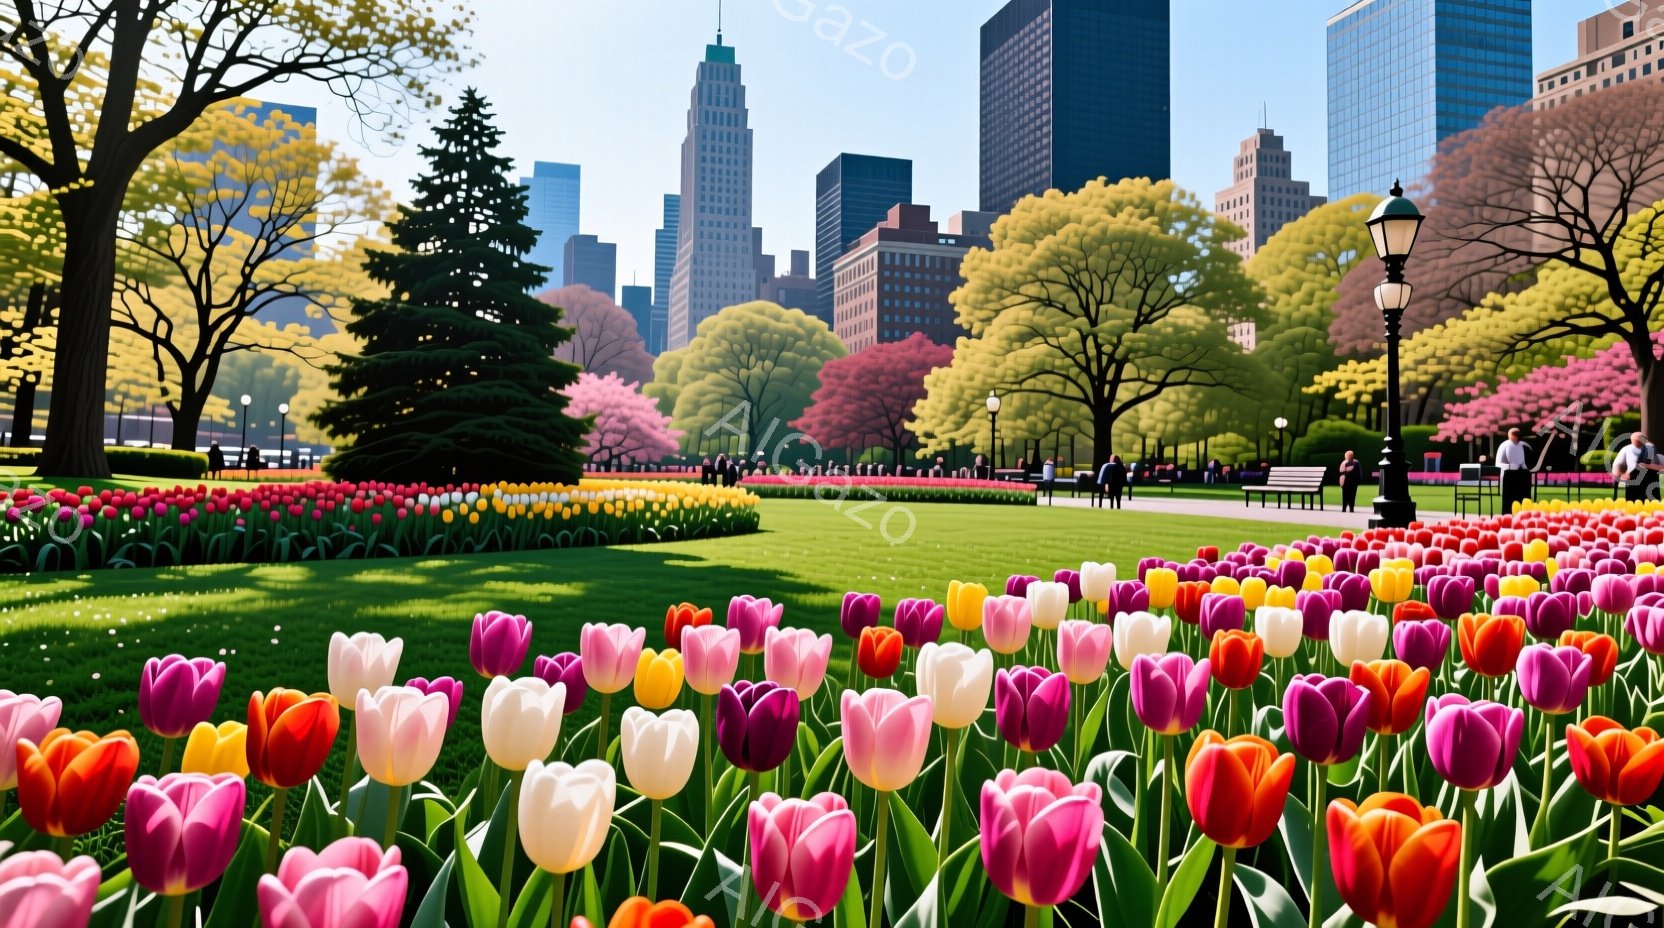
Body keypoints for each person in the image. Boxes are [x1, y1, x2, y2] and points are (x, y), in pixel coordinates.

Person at [1613, 432, 1664, 502]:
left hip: (1650, 481)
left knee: (1651, 503)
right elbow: (1617, 466)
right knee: (1633, 503)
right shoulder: (1626, 449)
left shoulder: (1653, 450)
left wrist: (1648, 466)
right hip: (1633, 480)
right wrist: (1623, 474)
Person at [1495, 427, 1534, 513]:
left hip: (1522, 475)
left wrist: (1524, 466)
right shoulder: (1504, 446)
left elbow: (1530, 463)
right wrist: (1510, 466)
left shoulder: (1525, 446)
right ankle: (1508, 514)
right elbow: (1498, 464)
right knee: (1509, 501)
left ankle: (1525, 513)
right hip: (1509, 475)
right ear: (1510, 435)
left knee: (1524, 498)